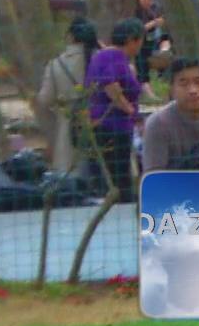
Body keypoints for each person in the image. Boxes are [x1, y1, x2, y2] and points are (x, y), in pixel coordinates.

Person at [85, 20, 147, 200]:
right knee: (119, 177)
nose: (140, 45)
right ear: (131, 40)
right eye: (139, 40)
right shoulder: (112, 57)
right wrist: (128, 109)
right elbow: (109, 84)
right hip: (112, 127)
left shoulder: (113, 58)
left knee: (120, 175)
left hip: (115, 126)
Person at [35, 18, 100, 175]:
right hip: (102, 122)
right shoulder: (102, 58)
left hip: (70, 127)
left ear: (70, 36)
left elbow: (44, 100)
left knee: (72, 178)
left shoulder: (56, 64)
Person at [134, 0, 173, 79]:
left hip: (153, 38)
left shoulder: (151, 9)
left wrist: (159, 21)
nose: (151, 2)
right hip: (142, 42)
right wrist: (154, 23)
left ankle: (163, 53)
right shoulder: (137, 12)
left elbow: (158, 21)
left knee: (166, 36)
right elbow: (139, 29)